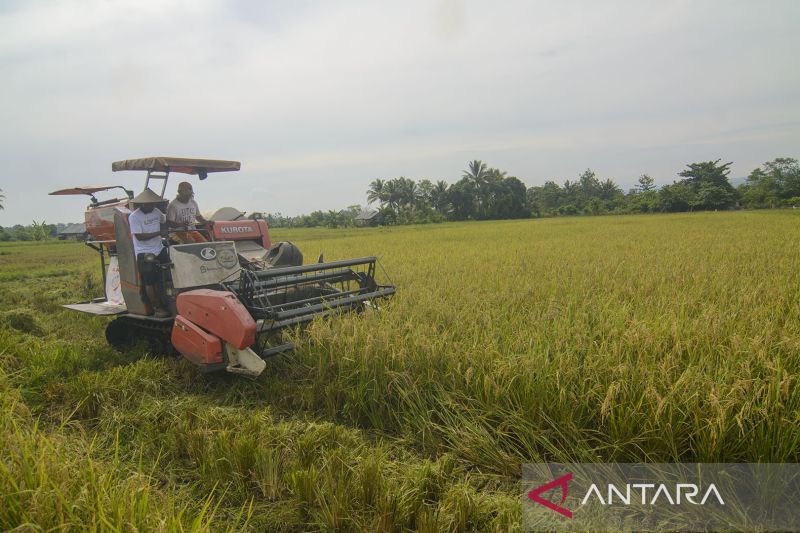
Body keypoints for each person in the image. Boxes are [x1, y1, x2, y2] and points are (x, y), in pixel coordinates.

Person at [128, 188, 170, 318]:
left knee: (169, 273)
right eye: (150, 204)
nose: (152, 206)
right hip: (144, 252)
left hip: (159, 248)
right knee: (149, 281)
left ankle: (169, 300)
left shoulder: (156, 211)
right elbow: (139, 237)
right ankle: (156, 307)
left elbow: (165, 221)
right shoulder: (134, 217)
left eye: (154, 203)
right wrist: (159, 233)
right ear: (143, 204)